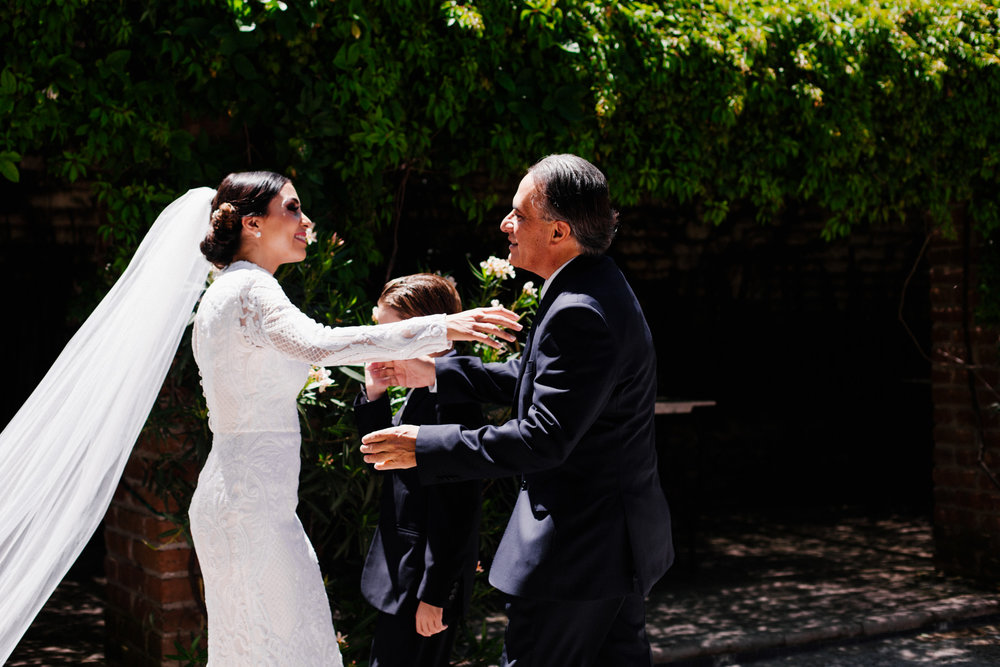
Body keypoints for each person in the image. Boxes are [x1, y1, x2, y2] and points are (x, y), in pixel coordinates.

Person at [187, 171, 519, 665]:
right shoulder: (253, 291)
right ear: (252, 224)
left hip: (235, 496)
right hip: (252, 506)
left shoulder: (222, 293)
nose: (307, 222)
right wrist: (437, 327)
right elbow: (319, 343)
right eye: (293, 209)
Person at [360, 154, 674, 666]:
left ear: (559, 232)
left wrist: (425, 444)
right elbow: (539, 380)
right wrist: (439, 372)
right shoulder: (593, 284)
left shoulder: (578, 310)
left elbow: (542, 439)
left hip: (576, 554)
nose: (505, 225)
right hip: (610, 547)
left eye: (519, 215)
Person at [353, 273, 484, 667]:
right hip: (401, 573)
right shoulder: (422, 383)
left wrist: (435, 595)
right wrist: (374, 393)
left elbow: (458, 505)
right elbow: (384, 457)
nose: (382, 341)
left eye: (390, 331)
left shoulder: (455, 394)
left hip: (423, 581)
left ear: (423, 327)